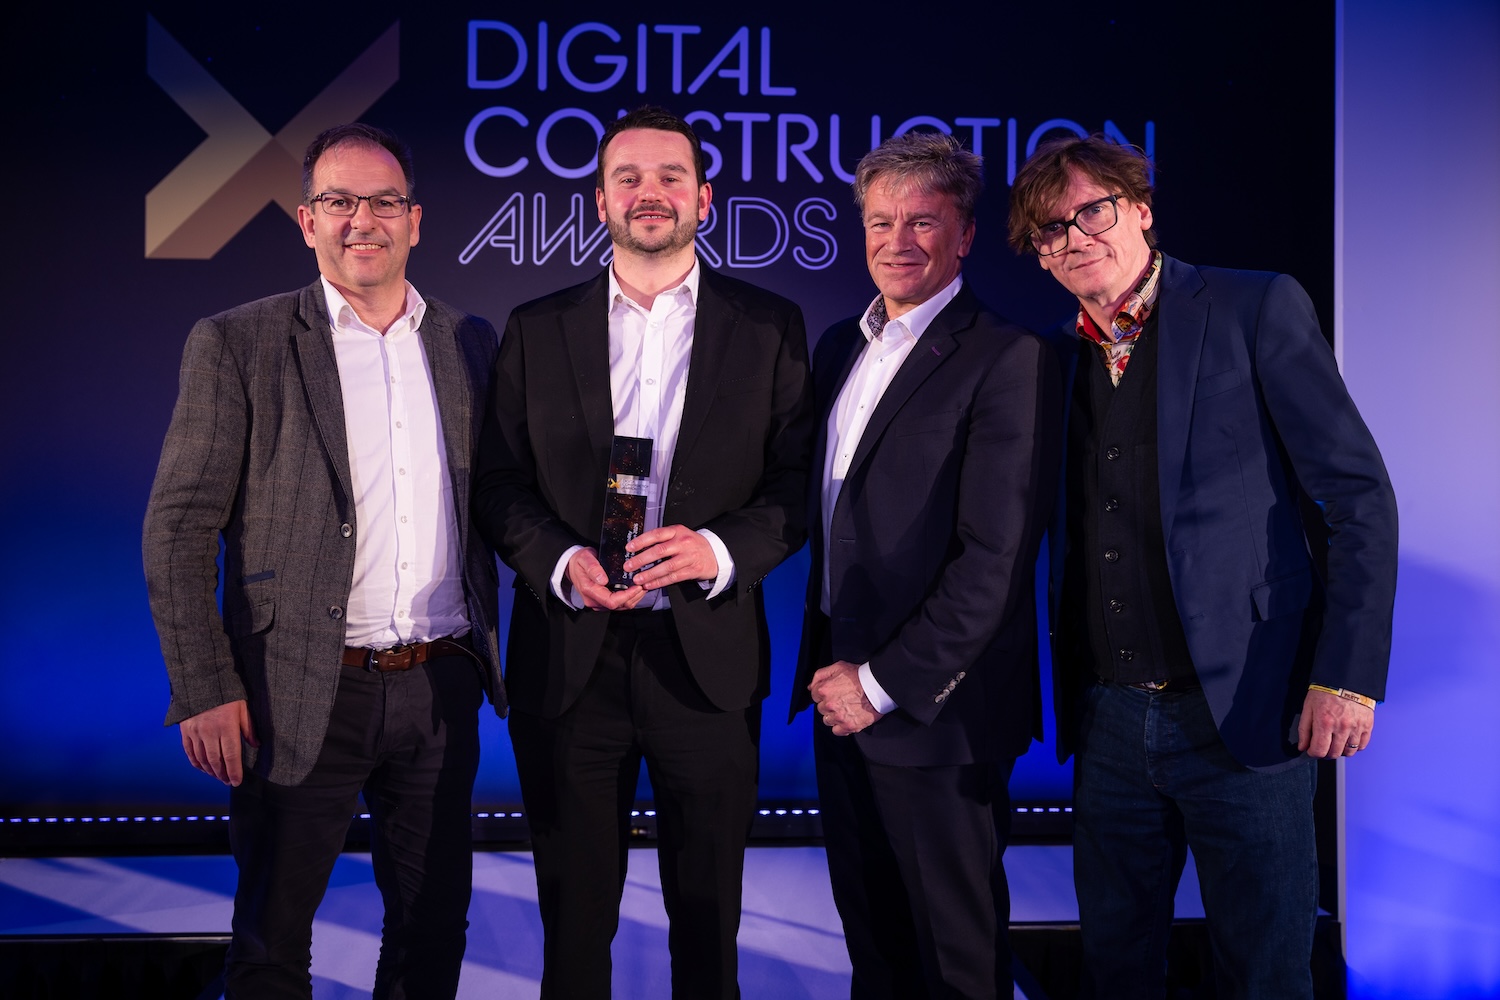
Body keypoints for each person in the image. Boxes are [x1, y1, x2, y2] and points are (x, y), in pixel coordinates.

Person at [1008, 134, 1398, 999]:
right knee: (1116, 970)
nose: (1074, 237)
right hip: (1107, 721)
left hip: (1248, 713)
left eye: (1091, 212)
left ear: (1141, 209)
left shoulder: (1255, 306)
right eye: (1049, 231)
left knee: (1264, 973)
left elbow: (1357, 498)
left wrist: (1348, 676)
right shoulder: (1053, 359)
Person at [143, 123, 504, 999]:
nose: (362, 220)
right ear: (307, 222)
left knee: (430, 931)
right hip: (294, 686)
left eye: (383, 201)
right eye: (339, 201)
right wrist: (204, 686)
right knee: (272, 940)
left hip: (439, 684)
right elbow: (179, 526)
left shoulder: (469, 342)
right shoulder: (241, 342)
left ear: (416, 221)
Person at [474, 105, 814, 999]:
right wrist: (557, 562)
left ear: (705, 197)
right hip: (571, 658)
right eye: (628, 178)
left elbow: (797, 487)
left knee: (708, 924)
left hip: (704, 660)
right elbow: (498, 485)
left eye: (669, 177)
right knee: (574, 926)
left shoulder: (771, 326)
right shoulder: (535, 327)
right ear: (599, 202)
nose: (649, 194)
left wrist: (716, 549)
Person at [790, 131, 1062, 999]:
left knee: (956, 965)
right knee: (875, 948)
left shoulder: (1008, 356)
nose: (898, 242)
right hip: (840, 696)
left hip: (936, 712)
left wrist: (878, 684)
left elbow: (997, 557)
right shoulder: (840, 345)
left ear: (965, 235)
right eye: (880, 221)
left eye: (923, 222)